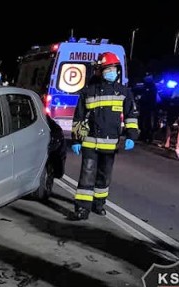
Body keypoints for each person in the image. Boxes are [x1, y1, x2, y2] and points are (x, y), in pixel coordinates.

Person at [69, 52, 139, 220]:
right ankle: (82, 209)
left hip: (110, 143)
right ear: (99, 71)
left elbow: (131, 115)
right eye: (107, 69)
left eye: (113, 68)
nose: (111, 72)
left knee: (104, 176)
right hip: (90, 143)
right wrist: (76, 139)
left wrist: (131, 135)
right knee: (87, 175)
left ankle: (98, 204)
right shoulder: (89, 91)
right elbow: (79, 115)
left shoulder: (123, 92)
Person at [137, 73, 158, 143]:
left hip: (150, 108)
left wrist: (141, 98)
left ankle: (149, 137)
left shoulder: (152, 86)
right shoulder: (145, 86)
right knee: (142, 122)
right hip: (144, 107)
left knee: (149, 123)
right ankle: (143, 136)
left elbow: (149, 96)